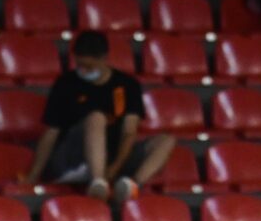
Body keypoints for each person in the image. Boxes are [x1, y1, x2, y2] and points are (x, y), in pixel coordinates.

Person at [24, 29, 175, 203]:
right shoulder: (65, 84)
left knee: (166, 140)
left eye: (89, 67)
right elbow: (51, 132)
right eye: (79, 65)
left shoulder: (127, 85)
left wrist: (114, 167)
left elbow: (129, 132)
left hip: (112, 157)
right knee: (96, 117)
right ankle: (98, 182)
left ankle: (131, 186)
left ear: (104, 59)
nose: (83, 70)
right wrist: (33, 175)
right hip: (73, 158)